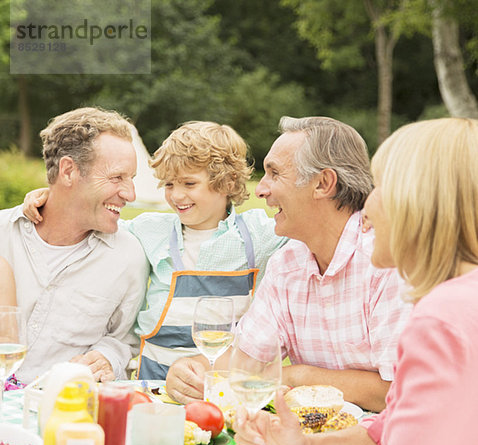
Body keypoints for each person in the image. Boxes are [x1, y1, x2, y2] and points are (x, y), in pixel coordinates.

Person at [234, 117, 478, 445]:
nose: (366, 206)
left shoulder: (442, 320)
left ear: (421, 205)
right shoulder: (462, 302)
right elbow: (391, 426)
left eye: (382, 187)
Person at [166, 116, 411, 411]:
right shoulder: (287, 263)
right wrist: (192, 369)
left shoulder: (386, 260)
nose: (260, 189)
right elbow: (247, 359)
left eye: (275, 174)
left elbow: (400, 390)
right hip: (308, 441)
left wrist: (302, 376)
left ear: (323, 183)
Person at [23, 121, 286, 380]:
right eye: (170, 185)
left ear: (227, 183)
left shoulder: (257, 235)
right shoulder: (151, 230)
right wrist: (50, 197)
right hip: (153, 381)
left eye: (189, 184)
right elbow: (94, 218)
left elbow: (309, 233)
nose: (176, 195)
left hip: (221, 381)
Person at [0, 107, 149, 384]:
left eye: (131, 179)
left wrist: (108, 357)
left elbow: (124, 339)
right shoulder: (3, 235)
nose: (130, 193)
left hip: (64, 410)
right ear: (68, 171)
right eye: (117, 177)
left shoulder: (129, 256)